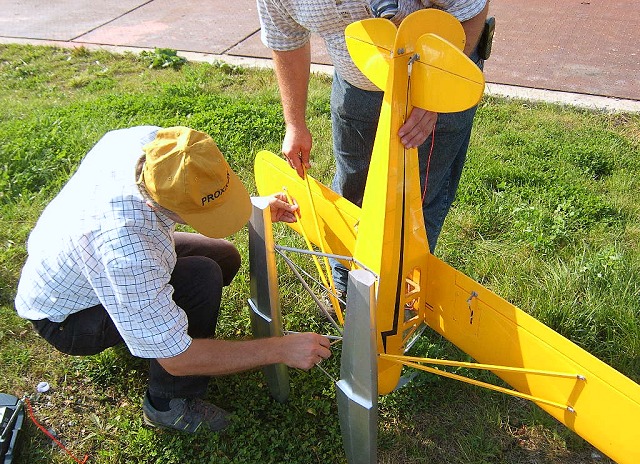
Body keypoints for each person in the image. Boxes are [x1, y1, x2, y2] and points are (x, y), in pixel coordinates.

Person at [14, 126, 331, 433]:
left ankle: (144, 329)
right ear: (156, 203)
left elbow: (191, 186)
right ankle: (166, 404)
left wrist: (238, 205)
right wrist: (280, 350)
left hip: (82, 262)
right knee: (201, 277)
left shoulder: (159, 147)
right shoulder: (127, 250)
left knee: (223, 257)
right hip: (70, 317)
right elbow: (180, 359)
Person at [257, 0, 490, 297]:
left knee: (415, 200)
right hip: (357, 81)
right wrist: (295, 124)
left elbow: (470, 10)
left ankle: (398, 302)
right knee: (353, 188)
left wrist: (432, 94)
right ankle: (347, 289)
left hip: (436, 77)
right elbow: (286, 39)